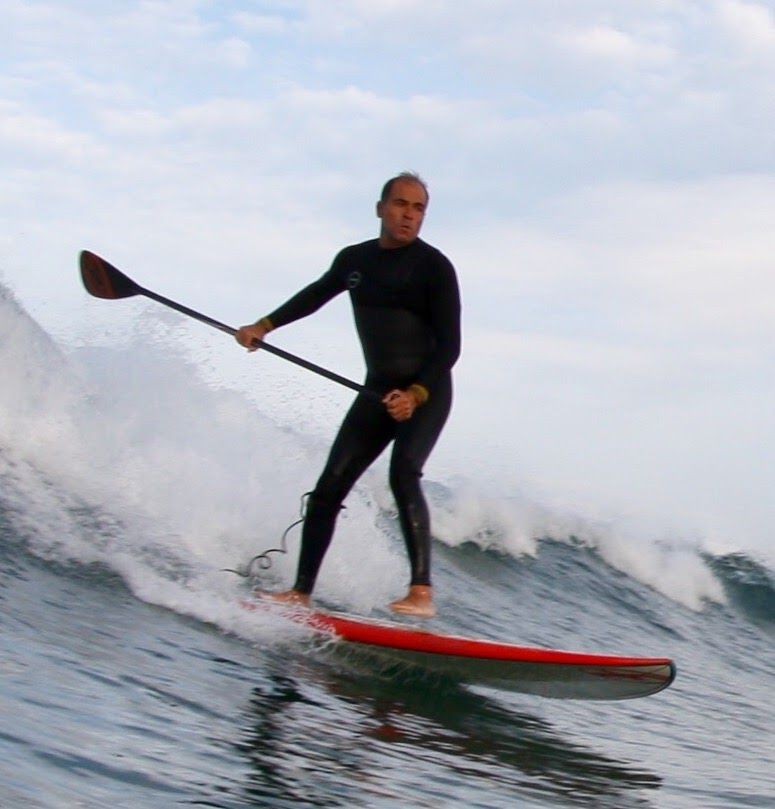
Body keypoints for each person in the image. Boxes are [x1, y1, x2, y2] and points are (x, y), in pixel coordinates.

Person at [235, 172, 461, 618]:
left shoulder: (434, 267)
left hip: (426, 393)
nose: (408, 215)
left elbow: (450, 346)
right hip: (376, 393)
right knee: (327, 490)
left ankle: (421, 593)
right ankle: (301, 592)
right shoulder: (355, 261)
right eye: (400, 204)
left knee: (404, 474)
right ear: (380, 208)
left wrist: (416, 393)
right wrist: (264, 327)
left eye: (418, 209)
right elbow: (315, 295)